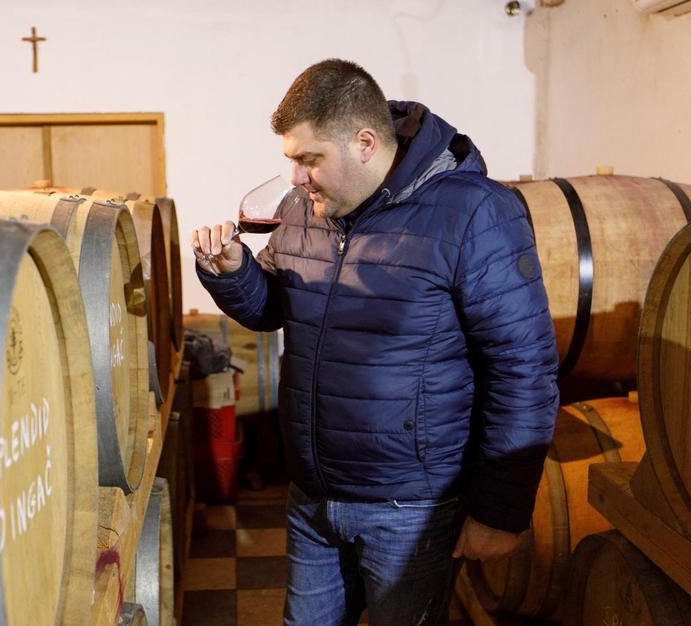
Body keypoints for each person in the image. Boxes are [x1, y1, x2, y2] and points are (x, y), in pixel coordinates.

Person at [191, 59, 559, 625]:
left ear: (364, 143)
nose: (294, 178)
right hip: (313, 497)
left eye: (309, 159)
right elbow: (273, 310)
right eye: (290, 160)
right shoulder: (303, 211)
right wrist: (231, 271)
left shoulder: (475, 213)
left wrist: (500, 512)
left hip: (410, 508)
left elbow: (522, 370)